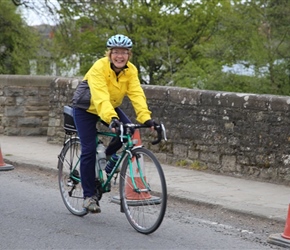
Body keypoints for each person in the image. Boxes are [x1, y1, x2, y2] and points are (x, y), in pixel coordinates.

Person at [72, 34, 155, 213]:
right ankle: (88, 196)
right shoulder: (99, 67)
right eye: (116, 52)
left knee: (129, 132)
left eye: (124, 52)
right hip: (86, 108)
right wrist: (112, 119)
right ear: (109, 53)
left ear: (129, 55)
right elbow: (100, 96)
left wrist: (145, 118)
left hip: (109, 107)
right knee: (88, 150)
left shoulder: (131, 70)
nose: (120, 56)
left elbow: (137, 94)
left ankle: (108, 157)